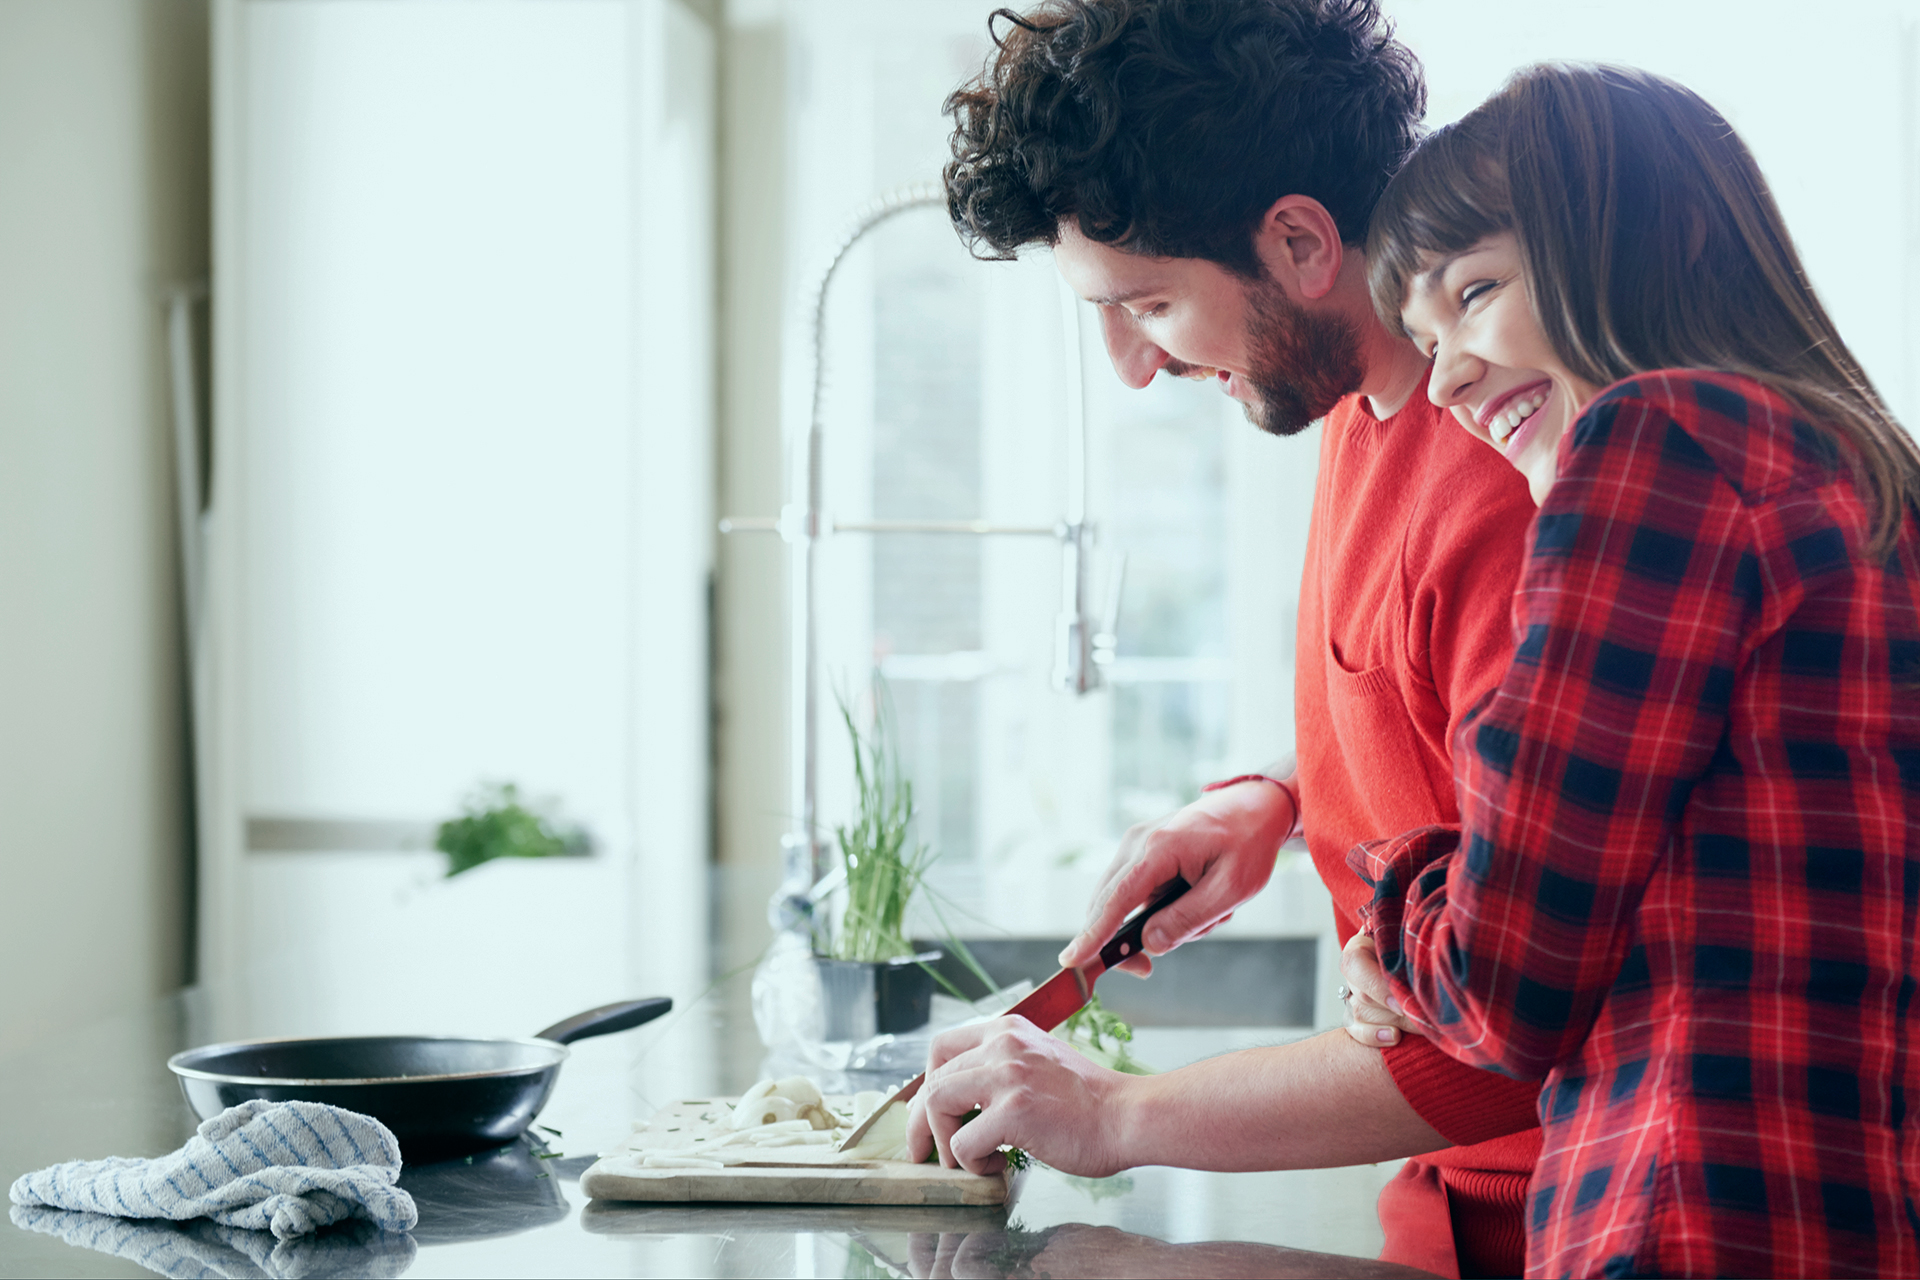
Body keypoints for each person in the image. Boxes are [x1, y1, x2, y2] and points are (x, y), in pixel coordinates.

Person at [907, 4, 1541, 1275]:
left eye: (1145, 301)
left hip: (1556, 1222)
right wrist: (1283, 799)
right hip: (1444, 1210)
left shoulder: (1503, 480)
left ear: (1300, 241)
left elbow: (1495, 1045)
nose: (1135, 365)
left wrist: (1112, 1112)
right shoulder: (1361, 407)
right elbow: (1467, 739)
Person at [1339, 62, 1920, 1278]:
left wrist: (1395, 899)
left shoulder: (1657, 441)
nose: (1443, 379)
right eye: (1425, 336)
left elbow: (1503, 989)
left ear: (1671, 236)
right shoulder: (1873, 489)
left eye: (1478, 290)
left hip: (1684, 1219)